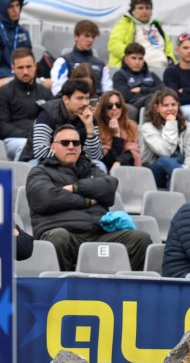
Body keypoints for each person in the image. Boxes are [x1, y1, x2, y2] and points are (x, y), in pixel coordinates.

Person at [26, 124, 151, 271]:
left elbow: (109, 187)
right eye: (65, 143)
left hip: (99, 233)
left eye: (76, 143)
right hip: (64, 232)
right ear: (53, 147)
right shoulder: (39, 172)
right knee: (59, 237)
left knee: (140, 239)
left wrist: (75, 188)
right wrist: (87, 200)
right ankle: (62, 290)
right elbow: (47, 199)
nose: (71, 146)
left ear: (81, 147)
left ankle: (125, 289)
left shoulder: (92, 169)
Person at [18, 78, 103, 165]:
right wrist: (70, 157)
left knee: (100, 166)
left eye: (87, 98)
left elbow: (95, 157)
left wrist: (89, 128)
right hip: (44, 162)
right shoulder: (48, 114)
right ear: (66, 99)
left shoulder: (89, 117)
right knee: (33, 165)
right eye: (80, 98)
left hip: (76, 162)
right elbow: (40, 152)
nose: (85, 103)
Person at [139, 88, 190, 188]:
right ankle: (186, 182)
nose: (170, 108)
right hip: (154, 173)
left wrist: (181, 171)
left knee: (173, 183)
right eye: (165, 105)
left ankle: (181, 182)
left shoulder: (187, 127)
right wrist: (171, 124)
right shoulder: (148, 128)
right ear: (156, 108)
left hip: (177, 170)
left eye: (173, 104)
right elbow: (165, 151)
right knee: (165, 160)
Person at [0, 47, 53, 161]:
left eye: (29, 67)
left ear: (35, 66)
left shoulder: (46, 92)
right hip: (14, 140)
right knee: (25, 146)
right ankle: (22, 176)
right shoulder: (3, 92)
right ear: (12, 68)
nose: (25, 72)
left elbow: (54, 120)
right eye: (20, 67)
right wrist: (29, 136)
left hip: (43, 139)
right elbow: (2, 125)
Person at [108, 0, 175, 69]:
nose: (144, 11)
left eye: (147, 8)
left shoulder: (156, 25)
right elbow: (114, 44)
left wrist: (170, 60)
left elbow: (169, 49)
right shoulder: (125, 23)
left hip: (162, 69)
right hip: (136, 71)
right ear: (133, 10)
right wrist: (133, 58)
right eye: (140, 8)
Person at [50, 20, 113, 96]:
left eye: (93, 37)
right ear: (76, 36)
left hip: (97, 104)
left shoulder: (101, 64)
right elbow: (57, 90)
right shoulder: (63, 61)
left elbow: (108, 92)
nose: (90, 40)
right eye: (87, 36)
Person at [112, 42, 165, 113]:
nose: (137, 62)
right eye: (133, 58)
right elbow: (123, 96)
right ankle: (150, 123)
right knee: (151, 98)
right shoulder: (120, 75)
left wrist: (142, 90)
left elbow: (163, 90)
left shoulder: (151, 75)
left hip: (151, 101)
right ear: (126, 59)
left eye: (140, 58)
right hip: (132, 104)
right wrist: (150, 93)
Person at [95, 89, 141, 171]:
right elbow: (107, 160)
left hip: (126, 169)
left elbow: (132, 154)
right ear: (103, 110)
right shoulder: (97, 127)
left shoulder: (130, 126)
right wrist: (116, 135)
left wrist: (119, 161)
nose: (114, 108)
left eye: (118, 105)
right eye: (109, 106)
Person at [0, 0, 32, 82]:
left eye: (18, 5)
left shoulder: (23, 31)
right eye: (11, 7)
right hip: (4, 78)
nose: (16, 10)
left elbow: (28, 59)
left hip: (21, 75)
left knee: (48, 83)